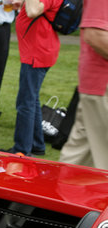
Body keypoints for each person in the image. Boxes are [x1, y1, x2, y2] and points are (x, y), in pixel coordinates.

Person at [1, 0, 62, 156]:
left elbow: (33, 11)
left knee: (25, 102)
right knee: (32, 99)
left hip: (37, 52)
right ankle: (36, 144)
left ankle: (22, 149)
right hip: (38, 49)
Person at [59, 0, 108, 169]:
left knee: (79, 157)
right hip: (103, 84)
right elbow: (95, 35)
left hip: (99, 86)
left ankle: (61, 194)